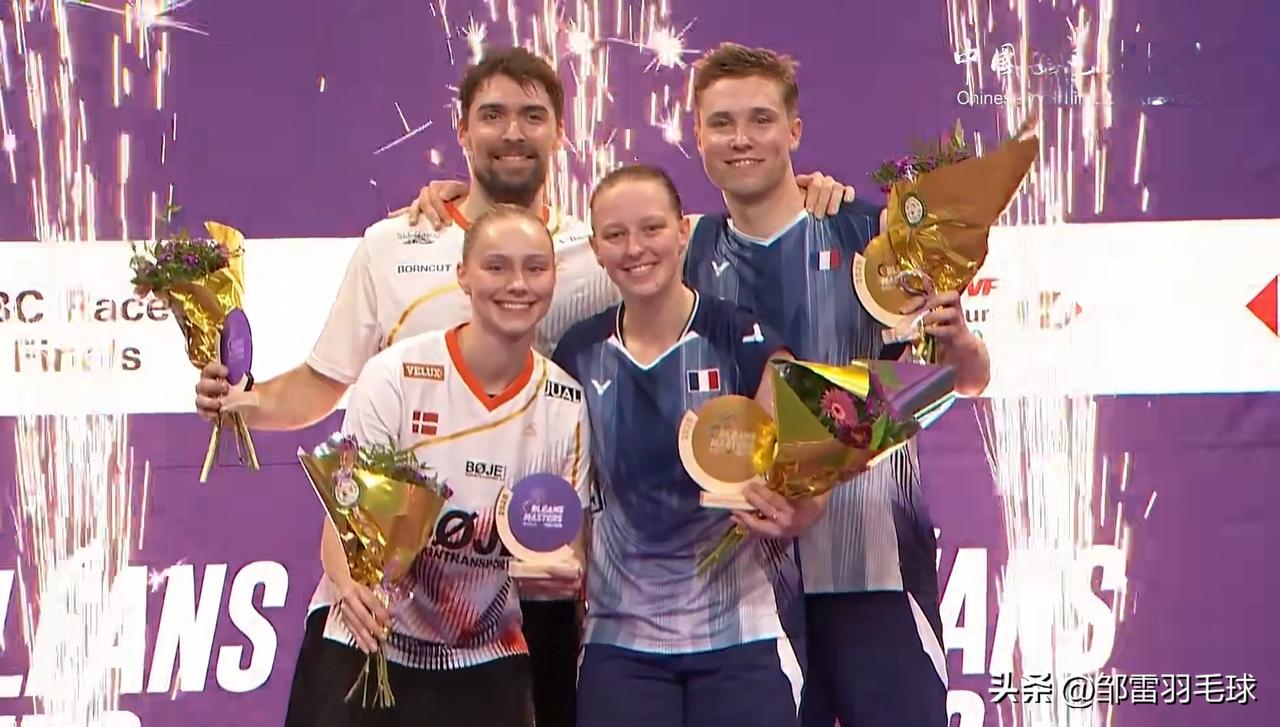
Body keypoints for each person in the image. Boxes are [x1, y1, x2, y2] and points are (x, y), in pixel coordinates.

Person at [195, 47, 610, 727]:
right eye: (493, 115)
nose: (512, 132)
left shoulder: (597, 253)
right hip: (382, 597)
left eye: (532, 116)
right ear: (461, 129)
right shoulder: (396, 244)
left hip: (510, 611)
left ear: (561, 132)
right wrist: (241, 403)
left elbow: (682, 263)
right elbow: (322, 384)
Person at [682, 44, 992, 727]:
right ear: (696, 135)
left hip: (875, 571)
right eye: (721, 122)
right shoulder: (682, 254)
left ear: (794, 131)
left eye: (761, 119)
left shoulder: (873, 239)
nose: (741, 138)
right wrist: (455, 202)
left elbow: (955, 379)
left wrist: (961, 345)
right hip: (744, 589)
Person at [282, 206, 591, 727]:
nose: (517, 284)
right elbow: (344, 515)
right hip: (367, 640)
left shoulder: (565, 404)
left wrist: (563, 573)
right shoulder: (395, 375)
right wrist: (349, 587)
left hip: (483, 656)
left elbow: (568, 550)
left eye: (535, 268)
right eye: (496, 266)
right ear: (463, 275)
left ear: (553, 278)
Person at [552, 164, 825, 727]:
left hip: (742, 638)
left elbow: (807, 483)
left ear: (683, 232)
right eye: (615, 235)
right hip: (620, 644)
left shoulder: (745, 340)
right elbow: (565, 490)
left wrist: (796, 513)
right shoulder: (578, 352)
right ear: (596, 250)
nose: (635, 249)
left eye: (652, 228)